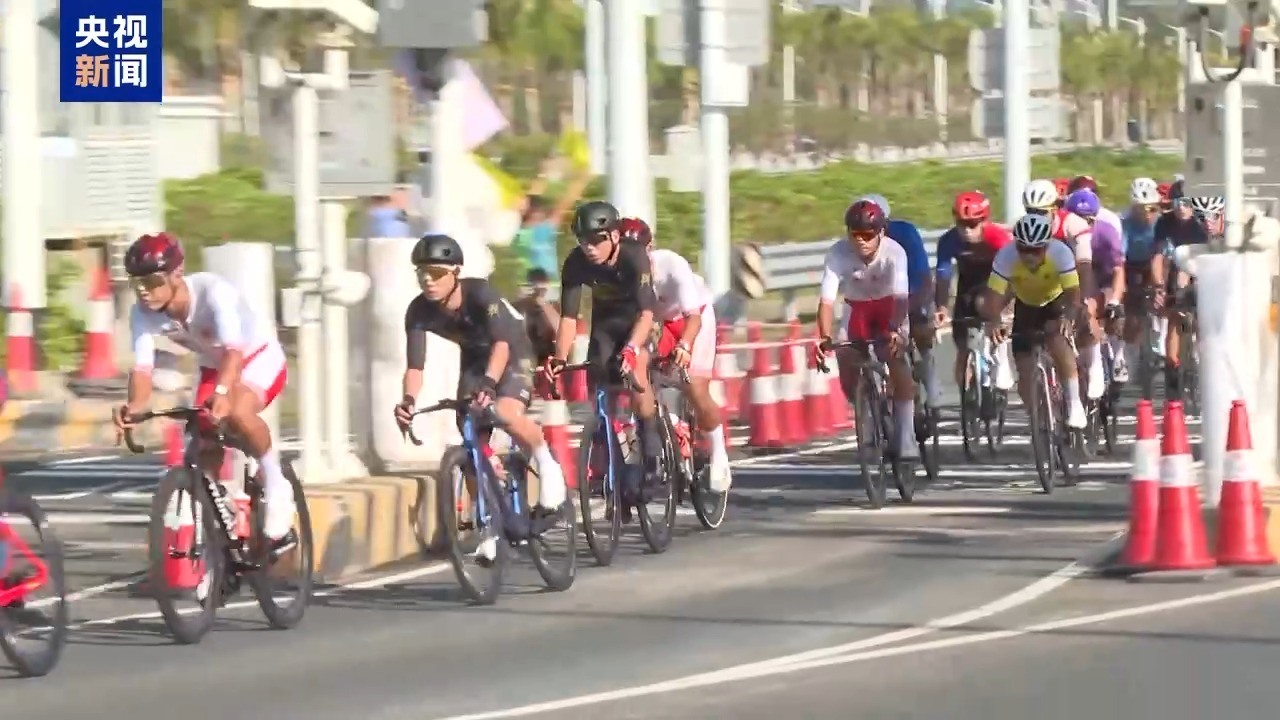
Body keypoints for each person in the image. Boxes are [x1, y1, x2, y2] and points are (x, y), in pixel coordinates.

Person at [112, 232, 297, 549]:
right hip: (215, 364)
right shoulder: (142, 313)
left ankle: (277, 484)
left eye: (152, 281)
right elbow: (142, 369)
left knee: (237, 411)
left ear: (177, 274)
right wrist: (135, 406)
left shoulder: (213, 292)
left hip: (256, 356)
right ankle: (220, 515)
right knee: (201, 438)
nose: (143, 291)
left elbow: (234, 353)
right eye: (136, 282)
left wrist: (223, 392)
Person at [393, 234, 566, 562]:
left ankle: (548, 466)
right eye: (422, 273)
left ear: (456, 273)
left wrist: (489, 384)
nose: (428, 280)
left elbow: (501, 344)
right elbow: (415, 366)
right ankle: (488, 527)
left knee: (503, 411)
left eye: (436, 273)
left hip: (513, 351)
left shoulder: (480, 295)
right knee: (471, 440)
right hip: (474, 360)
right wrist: (408, 401)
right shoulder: (418, 311)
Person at [543, 201, 664, 486]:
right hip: (606, 325)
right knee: (597, 383)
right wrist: (559, 358)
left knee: (637, 369)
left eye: (596, 240)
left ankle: (651, 446)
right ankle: (610, 450)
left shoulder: (634, 257)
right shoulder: (575, 263)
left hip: (639, 320)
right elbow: (569, 318)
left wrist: (632, 349)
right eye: (582, 240)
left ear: (615, 236)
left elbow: (647, 314)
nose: (589, 247)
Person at [618, 216, 733, 493]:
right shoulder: (618, 275)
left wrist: (685, 345)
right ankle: (664, 428)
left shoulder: (672, 265)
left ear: (650, 248)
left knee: (695, 387)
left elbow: (693, 318)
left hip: (693, 319)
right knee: (639, 371)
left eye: (638, 252)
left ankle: (719, 454)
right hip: (657, 322)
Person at [814, 199, 917, 460]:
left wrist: (894, 329)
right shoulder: (837, 253)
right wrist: (824, 337)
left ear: (881, 233)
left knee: (895, 357)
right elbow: (826, 301)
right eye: (855, 234)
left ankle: (906, 437)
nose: (861, 241)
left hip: (889, 307)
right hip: (857, 308)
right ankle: (866, 409)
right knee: (845, 356)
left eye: (868, 235)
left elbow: (901, 299)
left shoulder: (895, 252)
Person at [982, 214, 1087, 429]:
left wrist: (1068, 316)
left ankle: (1075, 404)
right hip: (1026, 304)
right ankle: (1039, 420)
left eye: (1036, 250)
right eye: (1024, 249)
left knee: (1057, 341)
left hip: (1055, 301)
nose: (1029, 256)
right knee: (1024, 370)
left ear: (1047, 246)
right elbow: (994, 294)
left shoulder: (1060, 253)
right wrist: (994, 320)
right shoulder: (1006, 256)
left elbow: (1073, 293)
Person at [857, 194, 940, 410]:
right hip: (880, 297)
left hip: (911, 290)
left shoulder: (905, 234)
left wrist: (914, 305)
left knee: (920, 331)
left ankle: (931, 383)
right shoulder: (857, 242)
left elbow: (921, 276)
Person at [933, 190, 1015, 401]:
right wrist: (941, 307)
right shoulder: (948, 241)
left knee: (985, 307)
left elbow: (1013, 273)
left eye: (972, 224)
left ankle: (1000, 356)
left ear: (984, 221)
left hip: (996, 284)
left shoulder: (997, 237)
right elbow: (943, 276)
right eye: (961, 224)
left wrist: (1005, 306)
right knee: (962, 346)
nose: (967, 231)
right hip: (967, 288)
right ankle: (966, 394)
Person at [1063, 188, 1125, 405]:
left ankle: (1110, 357)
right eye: (1079, 219)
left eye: (1089, 220)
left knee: (1100, 308)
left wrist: (1115, 300)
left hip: (1104, 276)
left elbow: (1118, 271)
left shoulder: (1106, 232)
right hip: (1075, 277)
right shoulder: (1064, 234)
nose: (1084, 225)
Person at [1119, 178, 1167, 384]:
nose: (1146, 214)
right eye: (1140, 209)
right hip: (1132, 264)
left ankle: (1162, 332)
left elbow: (1163, 255)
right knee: (1132, 312)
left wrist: (1161, 287)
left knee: (1166, 288)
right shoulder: (1125, 223)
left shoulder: (1163, 222)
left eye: (1151, 209)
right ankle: (1129, 355)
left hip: (1159, 260)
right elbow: (1120, 259)